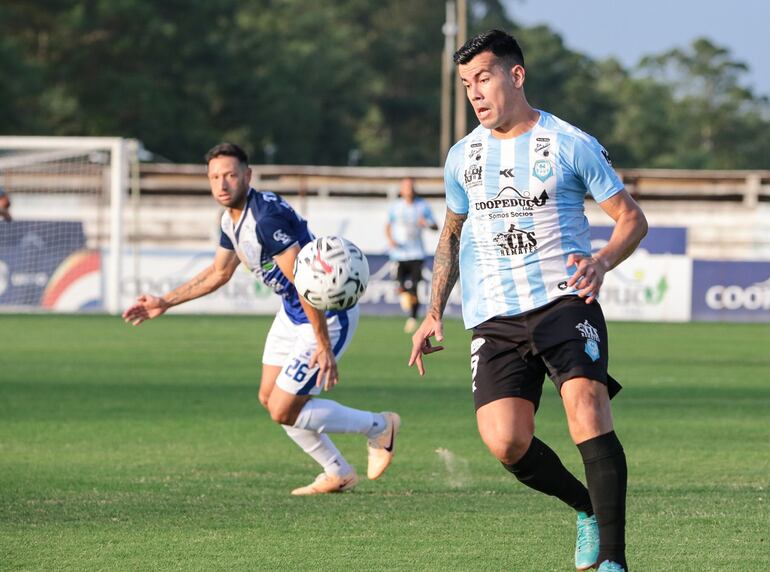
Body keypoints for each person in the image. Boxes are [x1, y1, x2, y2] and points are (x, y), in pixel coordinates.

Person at [408, 30, 647, 572]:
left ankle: (613, 558)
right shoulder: (462, 157)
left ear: (516, 75)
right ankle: (587, 508)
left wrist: (602, 261)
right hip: (494, 317)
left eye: (484, 78)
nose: (475, 93)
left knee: (586, 404)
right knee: (507, 444)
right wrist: (431, 313)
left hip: (565, 301)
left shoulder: (569, 143)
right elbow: (450, 236)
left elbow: (632, 219)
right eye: (467, 83)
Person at [123, 143, 400, 495]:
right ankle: (337, 472)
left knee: (284, 409)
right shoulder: (231, 218)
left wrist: (322, 344)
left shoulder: (265, 221)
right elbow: (219, 273)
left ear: (247, 176)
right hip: (292, 313)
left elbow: (303, 281)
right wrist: (164, 301)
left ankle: (379, 426)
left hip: (325, 316)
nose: (222, 184)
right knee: (270, 397)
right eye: (214, 177)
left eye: (230, 176)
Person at [385, 177, 438, 333]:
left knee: (415, 287)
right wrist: (390, 240)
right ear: (401, 190)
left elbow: (435, 226)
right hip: (398, 254)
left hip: (416, 253)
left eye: (411, 186)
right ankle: (404, 296)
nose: (409, 189)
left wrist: (426, 223)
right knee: (399, 286)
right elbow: (387, 226)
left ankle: (412, 318)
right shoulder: (396, 207)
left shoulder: (422, 206)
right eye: (406, 186)